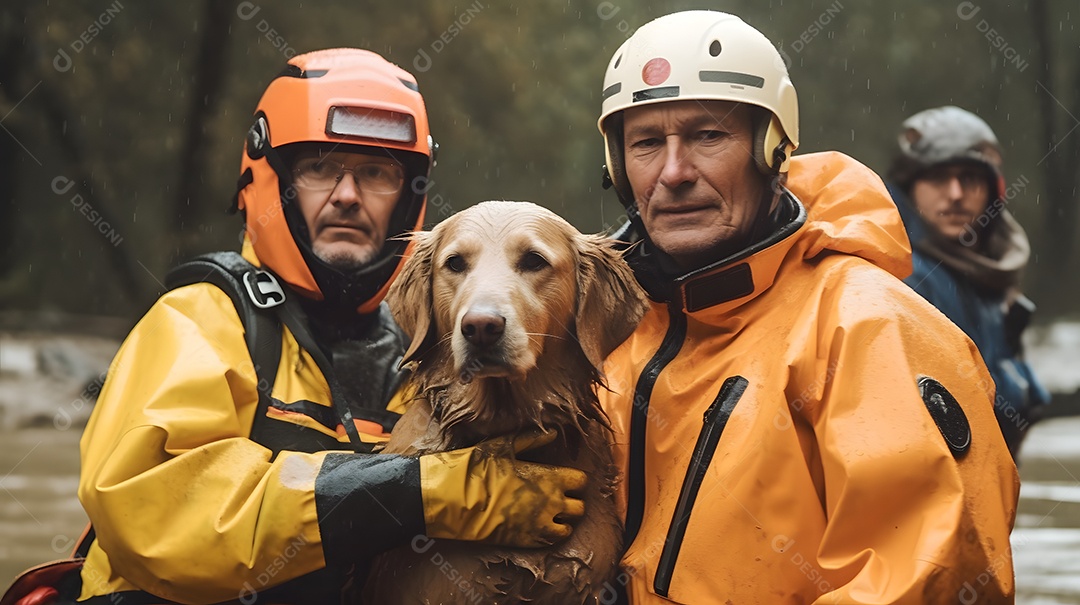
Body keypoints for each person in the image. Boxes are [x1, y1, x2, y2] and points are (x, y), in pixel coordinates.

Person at [74, 49, 585, 604]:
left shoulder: (431, 349)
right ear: (269, 179)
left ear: (407, 197)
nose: (347, 195)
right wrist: (427, 494)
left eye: (376, 174)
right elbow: (162, 520)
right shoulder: (197, 319)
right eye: (319, 167)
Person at [595, 11, 1019, 604]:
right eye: (645, 144)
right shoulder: (608, 333)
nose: (673, 172)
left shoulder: (869, 328)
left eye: (707, 136)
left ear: (771, 150)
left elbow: (923, 576)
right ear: (617, 167)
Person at [886, 105, 1050, 459]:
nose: (956, 193)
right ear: (909, 189)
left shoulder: (988, 273)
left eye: (970, 178)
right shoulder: (900, 274)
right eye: (938, 178)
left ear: (994, 192)